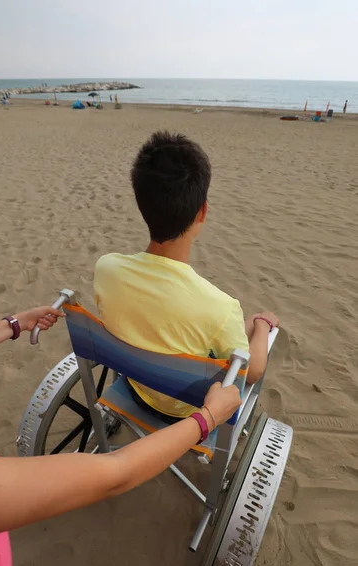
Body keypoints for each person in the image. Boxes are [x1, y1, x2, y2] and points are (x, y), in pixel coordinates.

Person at [0, 305, 241, 566]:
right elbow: (116, 474)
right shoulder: (223, 308)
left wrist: (12, 324)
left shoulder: (109, 269)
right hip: (189, 407)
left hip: (132, 393)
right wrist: (208, 418)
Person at [94, 131, 279, 420]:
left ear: (141, 203)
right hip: (187, 412)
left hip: (135, 387)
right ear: (202, 212)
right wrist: (263, 324)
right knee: (237, 337)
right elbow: (252, 372)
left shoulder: (106, 268)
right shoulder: (220, 307)